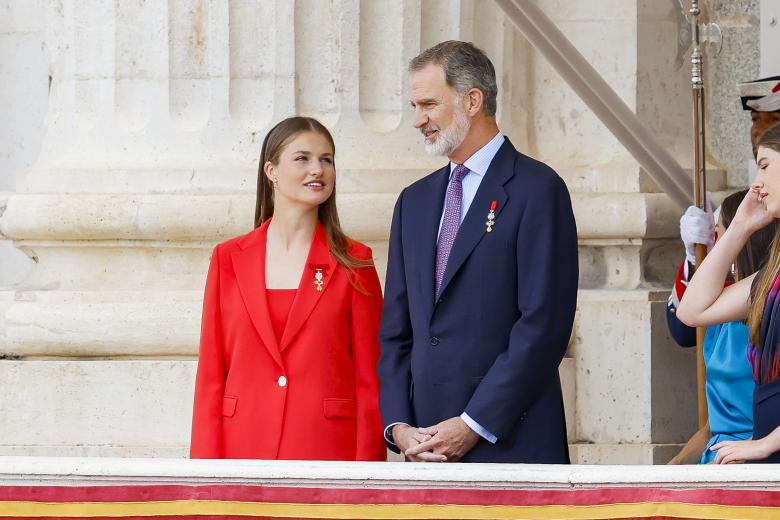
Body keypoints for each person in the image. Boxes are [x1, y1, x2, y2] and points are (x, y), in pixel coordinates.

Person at [377, 40, 578, 463]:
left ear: (472, 100)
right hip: (426, 450)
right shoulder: (412, 202)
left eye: (428, 104)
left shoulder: (537, 190)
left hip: (512, 444)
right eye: (414, 106)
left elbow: (543, 325)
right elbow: (396, 332)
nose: (418, 121)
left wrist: (473, 422)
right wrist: (398, 426)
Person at [190, 117, 386, 460]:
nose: (318, 169)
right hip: (241, 452)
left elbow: (371, 381)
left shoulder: (355, 260)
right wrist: (204, 477)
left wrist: (368, 479)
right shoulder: (227, 259)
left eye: (326, 159)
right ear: (272, 171)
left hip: (327, 454)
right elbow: (211, 375)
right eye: (303, 158)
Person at [678, 123, 780, 464]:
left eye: (764, 166)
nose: (757, 183)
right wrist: (739, 227)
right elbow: (692, 312)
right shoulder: (770, 279)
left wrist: (767, 443)